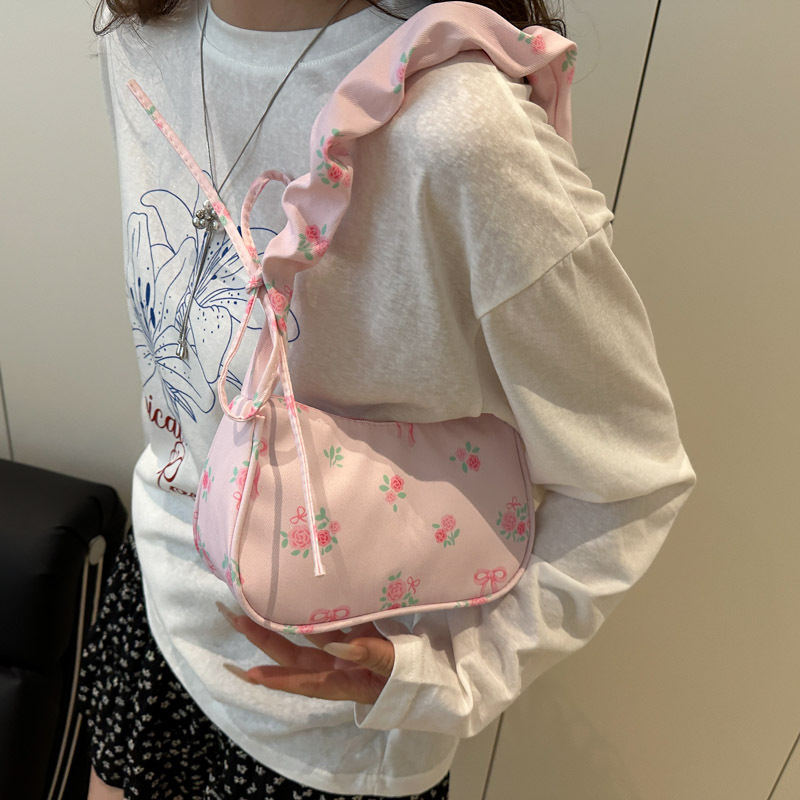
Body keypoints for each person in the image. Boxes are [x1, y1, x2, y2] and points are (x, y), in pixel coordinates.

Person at [76, 0, 697, 798]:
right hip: (160, 602)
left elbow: (632, 479)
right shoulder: (141, 35)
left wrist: (457, 674)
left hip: (336, 734)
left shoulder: (463, 133)